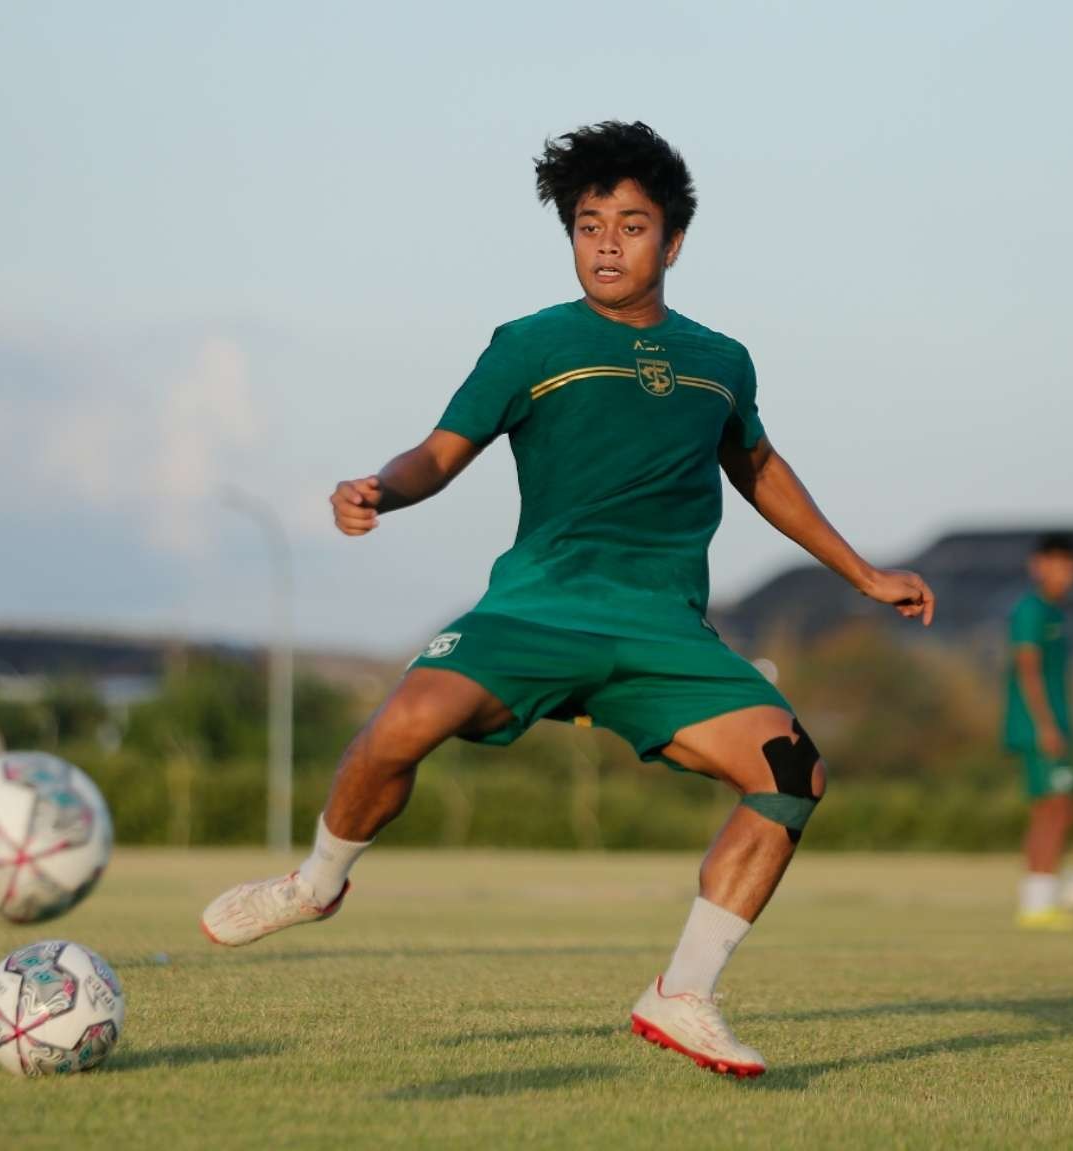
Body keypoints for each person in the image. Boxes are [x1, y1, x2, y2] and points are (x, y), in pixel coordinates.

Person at [197, 122, 932, 1078]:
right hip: (538, 608)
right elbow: (439, 451)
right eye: (590, 225)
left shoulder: (722, 360)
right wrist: (380, 485)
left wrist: (863, 572)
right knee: (403, 721)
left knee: (792, 771)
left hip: (664, 627)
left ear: (673, 242)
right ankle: (315, 882)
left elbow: (759, 466)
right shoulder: (531, 342)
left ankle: (683, 993)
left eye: (631, 225)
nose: (608, 243)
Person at [1006, 533, 1073, 929]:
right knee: (1056, 809)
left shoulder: (1055, 613)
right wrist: (1045, 725)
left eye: (1070, 567)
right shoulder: (1031, 611)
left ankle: (1039, 900)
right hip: (1039, 728)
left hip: (1054, 724)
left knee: (1055, 809)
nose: (1064, 574)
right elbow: (1028, 669)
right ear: (1037, 566)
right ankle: (1038, 904)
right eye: (1056, 565)